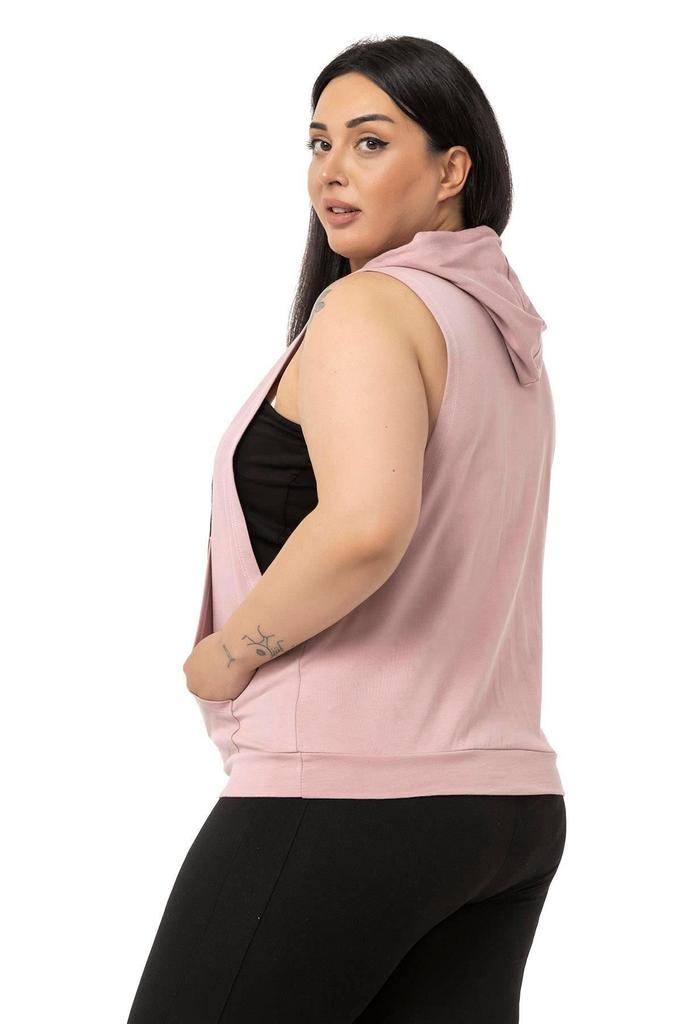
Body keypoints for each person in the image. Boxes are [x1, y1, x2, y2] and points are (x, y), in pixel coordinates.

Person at [126, 34, 567, 1024]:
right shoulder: (505, 340)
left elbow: (366, 525)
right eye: (318, 142)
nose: (331, 170)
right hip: (504, 807)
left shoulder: (371, 308)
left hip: (351, 796)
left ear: (452, 170)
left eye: (370, 142)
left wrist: (227, 655)